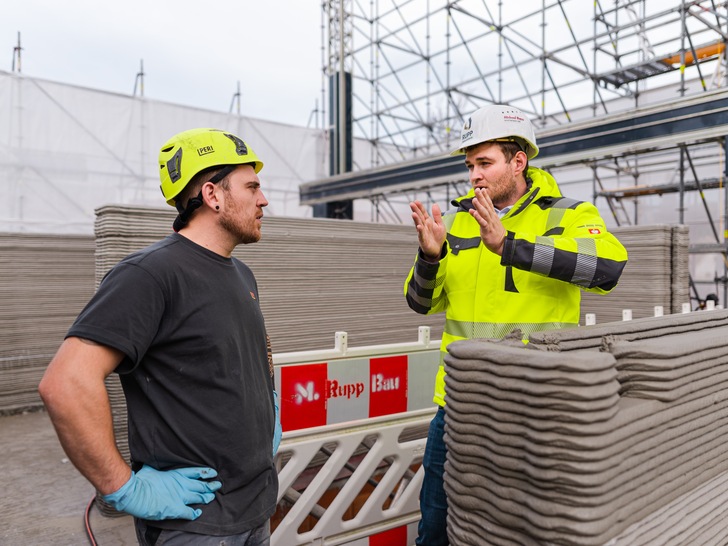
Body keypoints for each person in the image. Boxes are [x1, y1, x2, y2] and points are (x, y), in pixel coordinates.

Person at [39, 128, 282, 545]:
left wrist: (267, 413)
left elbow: (246, 358)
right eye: (253, 186)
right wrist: (123, 487)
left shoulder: (241, 274)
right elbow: (65, 383)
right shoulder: (150, 274)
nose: (263, 200)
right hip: (194, 524)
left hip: (254, 507)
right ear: (213, 195)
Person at [404, 104, 628, 545]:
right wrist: (430, 257)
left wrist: (511, 245)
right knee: (435, 529)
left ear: (518, 161)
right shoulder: (453, 222)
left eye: (484, 163)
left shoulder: (568, 214)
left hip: (537, 405)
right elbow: (418, 303)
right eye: (470, 165)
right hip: (458, 404)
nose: (474, 176)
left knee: (522, 531)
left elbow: (608, 267)